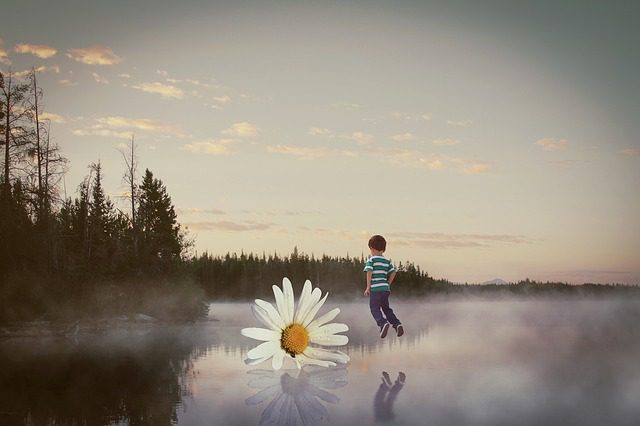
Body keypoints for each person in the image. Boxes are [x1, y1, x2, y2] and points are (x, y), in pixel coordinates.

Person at [364, 235, 404, 338]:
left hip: (375, 289)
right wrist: (388, 284)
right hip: (385, 289)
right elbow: (393, 272)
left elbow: (369, 271)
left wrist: (368, 287)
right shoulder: (387, 261)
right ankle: (397, 324)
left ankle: (382, 323)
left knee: (374, 308)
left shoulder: (371, 260)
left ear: (371, 248)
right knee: (386, 309)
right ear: (383, 249)